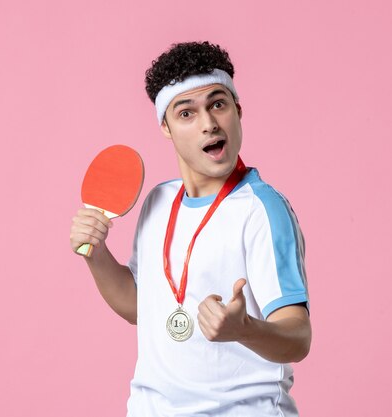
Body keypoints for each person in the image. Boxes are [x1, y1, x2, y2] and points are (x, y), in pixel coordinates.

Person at [69, 41, 311, 416]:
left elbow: (297, 337)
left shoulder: (262, 210)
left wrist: (244, 328)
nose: (209, 123)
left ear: (237, 110)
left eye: (218, 104)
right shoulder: (158, 202)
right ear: (165, 127)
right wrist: (96, 254)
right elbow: (140, 307)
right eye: (187, 113)